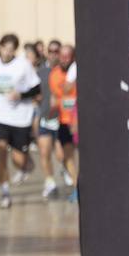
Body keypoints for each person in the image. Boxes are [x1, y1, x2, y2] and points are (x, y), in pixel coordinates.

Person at [0, 33, 43, 209]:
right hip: (0, 116)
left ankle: (26, 165)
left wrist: (20, 95)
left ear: (15, 50)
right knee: (0, 153)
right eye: (4, 48)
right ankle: (5, 193)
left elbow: (37, 88)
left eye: (10, 49)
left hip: (20, 118)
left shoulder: (23, 65)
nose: (6, 52)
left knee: (18, 159)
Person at [51, 46, 80, 201]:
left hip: (79, 120)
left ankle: (81, 185)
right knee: (66, 156)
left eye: (67, 56)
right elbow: (59, 95)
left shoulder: (78, 68)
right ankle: (76, 187)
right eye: (61, 56)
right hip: (64, 120)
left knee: (81, 157)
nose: (64, 59)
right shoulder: (54, 74)